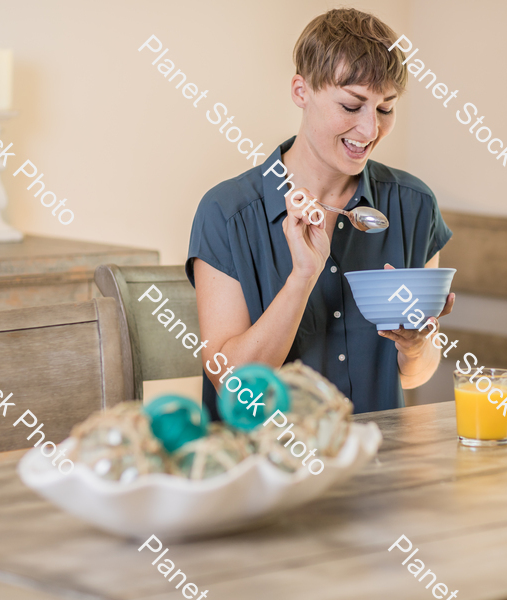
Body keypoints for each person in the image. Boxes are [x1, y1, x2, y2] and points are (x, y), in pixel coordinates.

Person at [186, 7, 454, 418]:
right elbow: (232, 382)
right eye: (351, 106)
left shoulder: (414, 205)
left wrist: (416, 345)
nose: (370, 131)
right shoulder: (227, 213)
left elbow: (413, 374)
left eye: (385, 109)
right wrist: (302, 278)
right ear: (301, 90)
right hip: (265, 466)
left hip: (374, 463)